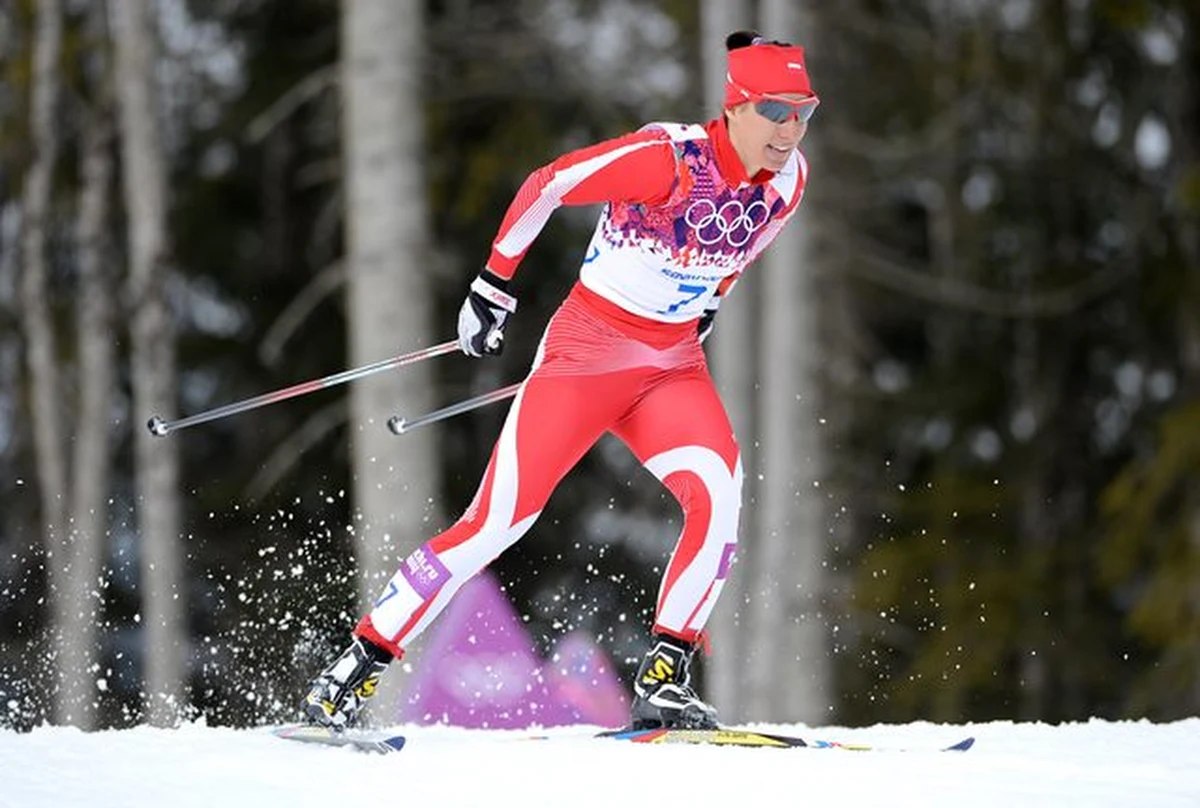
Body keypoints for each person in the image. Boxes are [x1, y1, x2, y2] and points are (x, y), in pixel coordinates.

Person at [302, 30, 818, 731]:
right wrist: (492, 288)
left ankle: (666, 676)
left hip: (669, 367)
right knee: (496, 523)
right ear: (736, 107)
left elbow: (737, 249)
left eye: (803, 112)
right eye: (777, 111)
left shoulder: (789, 182)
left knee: (720, 494)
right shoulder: (664, 160)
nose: (790, 130)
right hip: (589, 354)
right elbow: (547, 184)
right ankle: (352, 669)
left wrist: (708, 305)